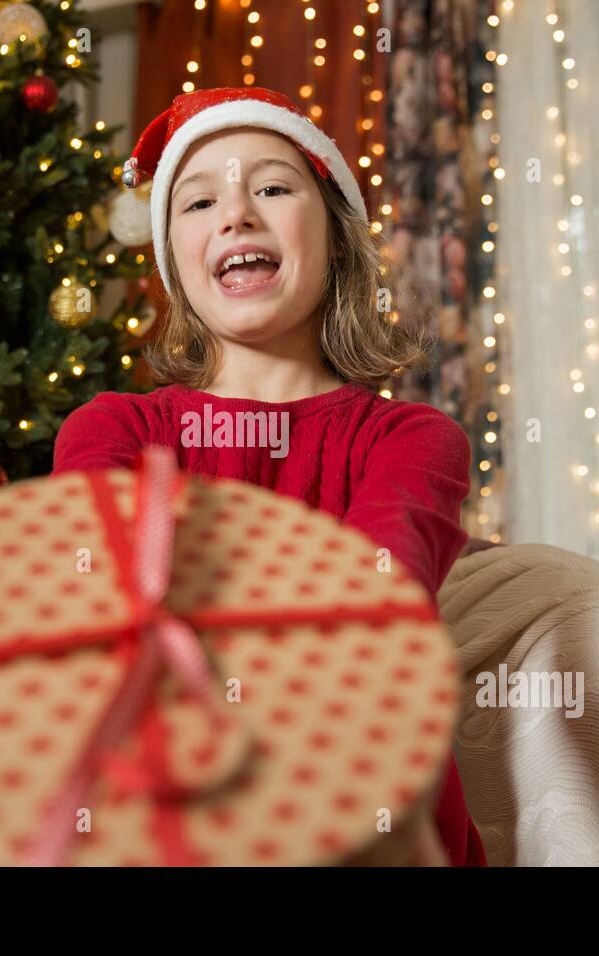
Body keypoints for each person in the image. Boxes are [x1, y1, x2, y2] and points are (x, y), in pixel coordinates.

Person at [52, 86, 486, 867]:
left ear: (335, 239)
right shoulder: (111, 431)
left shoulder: (415, 440)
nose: (236, 214)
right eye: (198, 201)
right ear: (174, 262)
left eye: (274, 187)